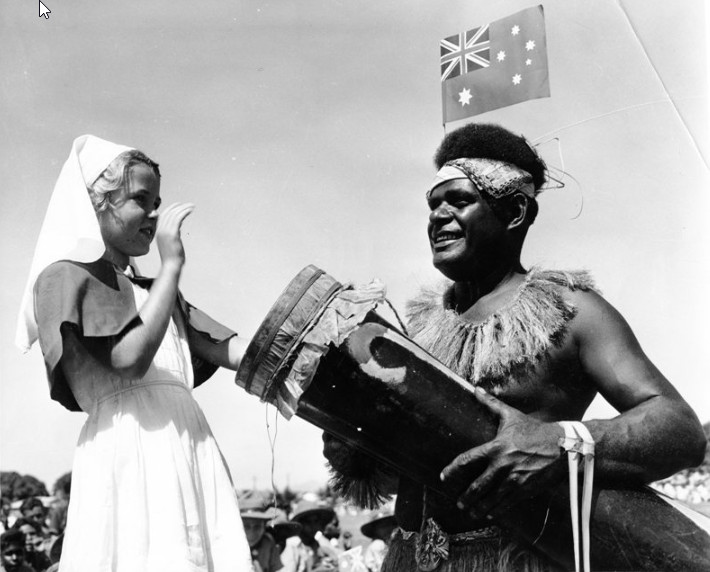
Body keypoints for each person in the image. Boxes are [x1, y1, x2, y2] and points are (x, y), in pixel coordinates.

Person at [323, 122, 706, 571]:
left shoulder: (572, 312)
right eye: (433, 204)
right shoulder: (419, 329)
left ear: (516, 212)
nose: (438, 215)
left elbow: (679, 429)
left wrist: (559, 443)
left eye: (459, 201)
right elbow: (407, 471)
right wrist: (354, 443)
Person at [15, 135, 252, 571]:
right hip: (131, 444)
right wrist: (172, 266)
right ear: (96, 204)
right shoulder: (63, 278)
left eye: (157, 201)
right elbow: (129, 360)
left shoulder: (152, 291)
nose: (155, 215)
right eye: (141, 200)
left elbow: (233, 352)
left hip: (186, 440)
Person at [280, 500, 339, 572]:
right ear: (300, 524)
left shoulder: (316, 544)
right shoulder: (292, 546)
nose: (314, 526)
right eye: (309, 522)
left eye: (316, 521)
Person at [239, 492, 283, 572]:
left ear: (264, 527)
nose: (252, 532)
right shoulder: (230, 545)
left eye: (257, 527)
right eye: (246, 527)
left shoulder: (268, 542)